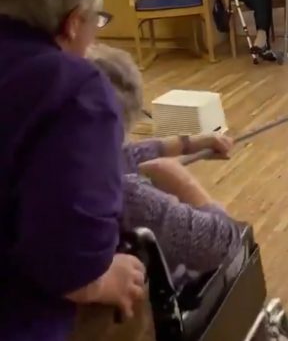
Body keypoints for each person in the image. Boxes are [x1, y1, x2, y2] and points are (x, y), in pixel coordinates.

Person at [0, 0, 145, 341]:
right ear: (72, 22)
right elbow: (70, 259)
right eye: (96, 20)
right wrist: (102, 281)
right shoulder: (73, 87)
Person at [86, 43, 243, 282]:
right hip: (151, 303)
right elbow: (222, 243)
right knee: (241, 250)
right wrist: (183, 183)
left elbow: (125, 155)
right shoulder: (128, 196)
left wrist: (189, 142)